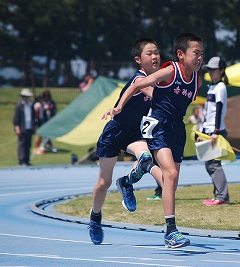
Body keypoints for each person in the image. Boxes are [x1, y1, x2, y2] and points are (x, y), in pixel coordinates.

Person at [103, 32, 204, 248]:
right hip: (158, 124)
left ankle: (129, 180)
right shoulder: (170, 71)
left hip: (177, 127)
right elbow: (138, 84)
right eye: (196, 53)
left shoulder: (197, 79)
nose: (199, 58)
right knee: (171, 173)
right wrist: (119, 106)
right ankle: (171, 231)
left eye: (201, 54)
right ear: (181, 54)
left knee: (170, 183)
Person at [88, 37, 163, 246]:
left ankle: (127, 182)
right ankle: (95, 217)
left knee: (146, 158)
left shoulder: (158, 78)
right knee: (103, 183)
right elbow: (153, 93)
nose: (155, 56)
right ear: (139, 59)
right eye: (150, 53)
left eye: (157, 52)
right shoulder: (141, 79)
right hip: (115, 130)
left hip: (135, 132)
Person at [199, 56, 230, 206]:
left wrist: (215, 132)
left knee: (214, 165)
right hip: (209, 130)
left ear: (222, 70)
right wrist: (203, 131)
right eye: (209, 69)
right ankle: (218, 195)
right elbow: (208, 112)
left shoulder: (220, 87)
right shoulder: (212, 86)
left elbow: (218, 110)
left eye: (213, 69)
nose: (210, 72)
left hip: (215, 131)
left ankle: (223, 197)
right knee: (210, 164)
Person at [13, 88, 36, 166]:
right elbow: (16, 118)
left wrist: (34, 126)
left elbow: (33, 116)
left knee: (28, 144)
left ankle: (27, 160)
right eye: (24, 96)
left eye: (27, 96)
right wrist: (17, 127)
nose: (25, 98)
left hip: (29, 127)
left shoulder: (31, 105)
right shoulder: (19, 106)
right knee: (22, 144)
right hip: (22, 127)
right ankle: (22, 160)